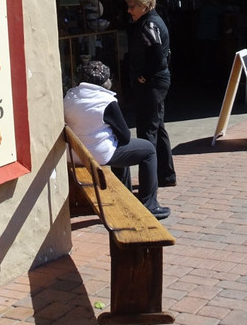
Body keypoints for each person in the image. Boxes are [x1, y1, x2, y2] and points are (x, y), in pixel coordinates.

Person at [63, 60, 170, 220]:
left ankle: (124, 194)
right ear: (106, 81)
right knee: (148, 150)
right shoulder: (106, 101)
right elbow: (125, 136)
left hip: (75, 153)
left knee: (121, 147)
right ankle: (150, 204)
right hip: (97, 154)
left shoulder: (70, 96)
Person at [124, 0, 176, 187]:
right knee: (157, 127)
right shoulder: (151, 21)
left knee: (147, 131)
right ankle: (165, 175)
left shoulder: (149, 24)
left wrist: (143, 75)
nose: (129, 10)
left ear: (144, 5)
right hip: (158, 81)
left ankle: (149, 182)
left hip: (152, 84)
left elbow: (157, 56)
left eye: (132, 6)